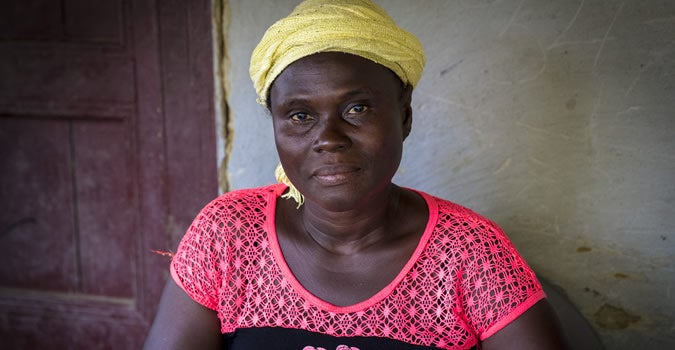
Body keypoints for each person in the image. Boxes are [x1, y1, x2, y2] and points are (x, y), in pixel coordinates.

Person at [144, 0, 566, 349]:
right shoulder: (228, 234)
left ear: (404, 114)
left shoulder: (468, 252)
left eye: (357, 109)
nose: (328, 138)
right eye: (300, 115)